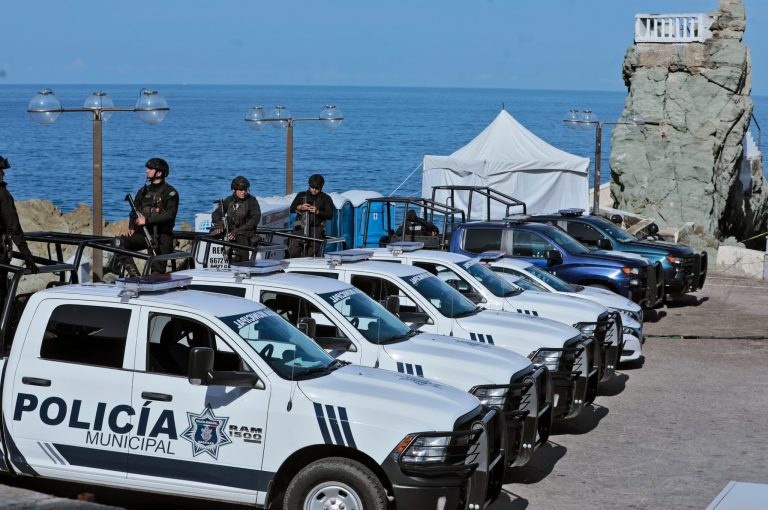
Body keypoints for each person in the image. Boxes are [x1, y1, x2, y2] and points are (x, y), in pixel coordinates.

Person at [116, 158, 178, 276]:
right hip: (144, 234)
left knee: (156, 274)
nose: (147, 171)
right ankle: (135, 276)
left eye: (150, 169)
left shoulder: (170, 193)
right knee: (118, 243)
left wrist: (147, 220)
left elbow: (170, 215)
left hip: (162, 238)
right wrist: (132, 226)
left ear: (159, 173)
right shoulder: (143, 191)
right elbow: (134, 211)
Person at [0, 155, 37, 277]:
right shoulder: (2, 195)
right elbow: (13, 228)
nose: (3, 174)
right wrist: (27, 256)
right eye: (1, 171)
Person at [211, 176, 261, 263]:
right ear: (234, 190)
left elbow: (255, 219)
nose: (243, 192)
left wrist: (238, 231)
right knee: (211, 235)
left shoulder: (252, 201)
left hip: (245, 233)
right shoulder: (229, 200)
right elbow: (216, 213)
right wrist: (218, 223)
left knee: (243, 255)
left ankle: (244, 266)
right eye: (241, 190)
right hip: (230, 232)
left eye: (245, 189)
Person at [287, 174, 333, 258]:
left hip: (316, 230)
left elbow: (330, 215)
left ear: (321, 187)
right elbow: (291, 209)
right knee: (293, 252)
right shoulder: (301, 195)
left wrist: (318, 212)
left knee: (310, 256)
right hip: (300, 228)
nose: (314, 190)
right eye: (312, 187)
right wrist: (300, 207)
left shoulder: (326, 198)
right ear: (309, 186)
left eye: (317, 188)